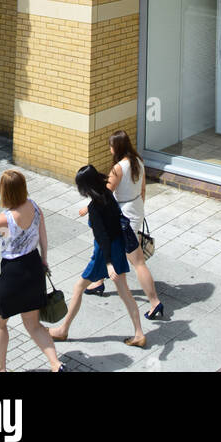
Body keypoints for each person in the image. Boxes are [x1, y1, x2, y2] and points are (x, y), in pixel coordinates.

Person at [0, 170, 64, 373]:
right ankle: (57, 365)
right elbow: (42, 235)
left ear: (5, 192)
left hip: (13, 273)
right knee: (33, 324)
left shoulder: (4, 218)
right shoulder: (34, 206)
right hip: (34, 266)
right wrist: (44, 260)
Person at [49, 165, 146, 348]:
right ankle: (139, 333)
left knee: (78, 287)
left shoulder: (95, 208)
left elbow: (102, 237)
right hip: (117, 247)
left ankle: (63, 330)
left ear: (85, 187)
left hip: (104, 253)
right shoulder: (107, 194)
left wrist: (108, 264)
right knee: (124, 293)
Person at [84, 129, 163, 321]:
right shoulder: (139, 162)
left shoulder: (118, 168)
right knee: (105, 247)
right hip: (135, 210)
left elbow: (105, 194)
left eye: (111, 146)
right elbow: (143, 189)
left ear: (116, 147)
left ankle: (154, 302)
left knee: (137, 261)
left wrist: (87, 209)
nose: (110, 149)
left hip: (123, 218)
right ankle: (98, 281)